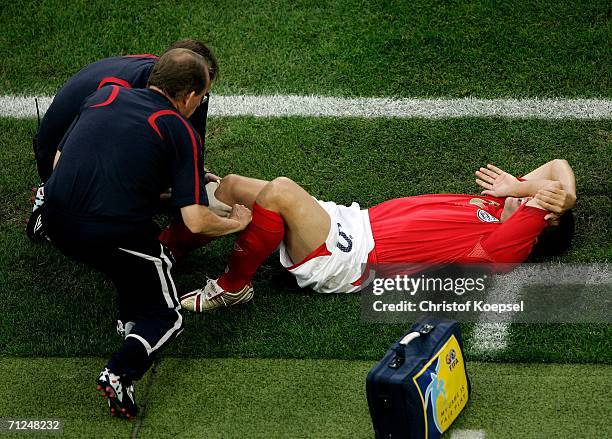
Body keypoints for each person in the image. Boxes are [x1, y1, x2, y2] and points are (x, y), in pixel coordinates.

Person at [43, 49, 251, 419]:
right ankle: (120, 370)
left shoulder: (107, 94)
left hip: (55, 220)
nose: (199, 104)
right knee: (167, 316)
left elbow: (59, 162)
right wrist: (236, 223)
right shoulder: (180, 129)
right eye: (202, 97)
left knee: (132, 266)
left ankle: (129, 321)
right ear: (188, 97)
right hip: (109, 231)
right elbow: (195, 220)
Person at [180, 159, 576, 312]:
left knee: (280, 190)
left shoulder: (504, 247)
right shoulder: (497, 207)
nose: (521, 189)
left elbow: (550, 192)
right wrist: (522, 192)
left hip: (350, 258)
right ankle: (166, 251)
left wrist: (532, 195)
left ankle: (232, 287)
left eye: (531, 204)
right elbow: (559, 167)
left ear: (542, 223)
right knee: (231, 185)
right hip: (346, 220)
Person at [27, 39, 218, 242]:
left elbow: (185, 136)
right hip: (58, 155)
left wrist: (193, 172)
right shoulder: (125, 93)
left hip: (69, 145)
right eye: (201, 94)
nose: (200, 101)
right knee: (131, 189)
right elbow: (106, 145)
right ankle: (47, 198)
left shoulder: (161, 79)